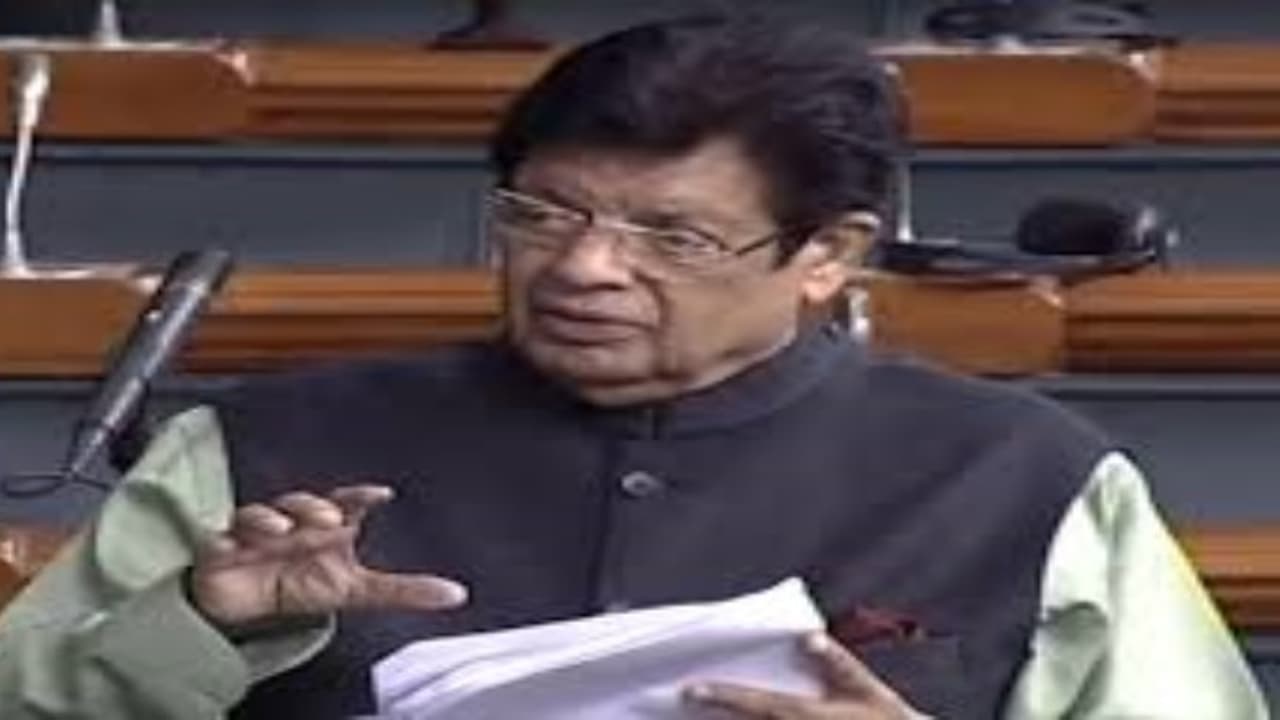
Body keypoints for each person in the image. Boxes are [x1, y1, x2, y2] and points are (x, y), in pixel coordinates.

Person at [0, 13, 1266, 720]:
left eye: (672, 237)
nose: (582, 269)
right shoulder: (261, 456)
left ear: (825, 255)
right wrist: (196, 627)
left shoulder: (1022, 480)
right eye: (540, 215)